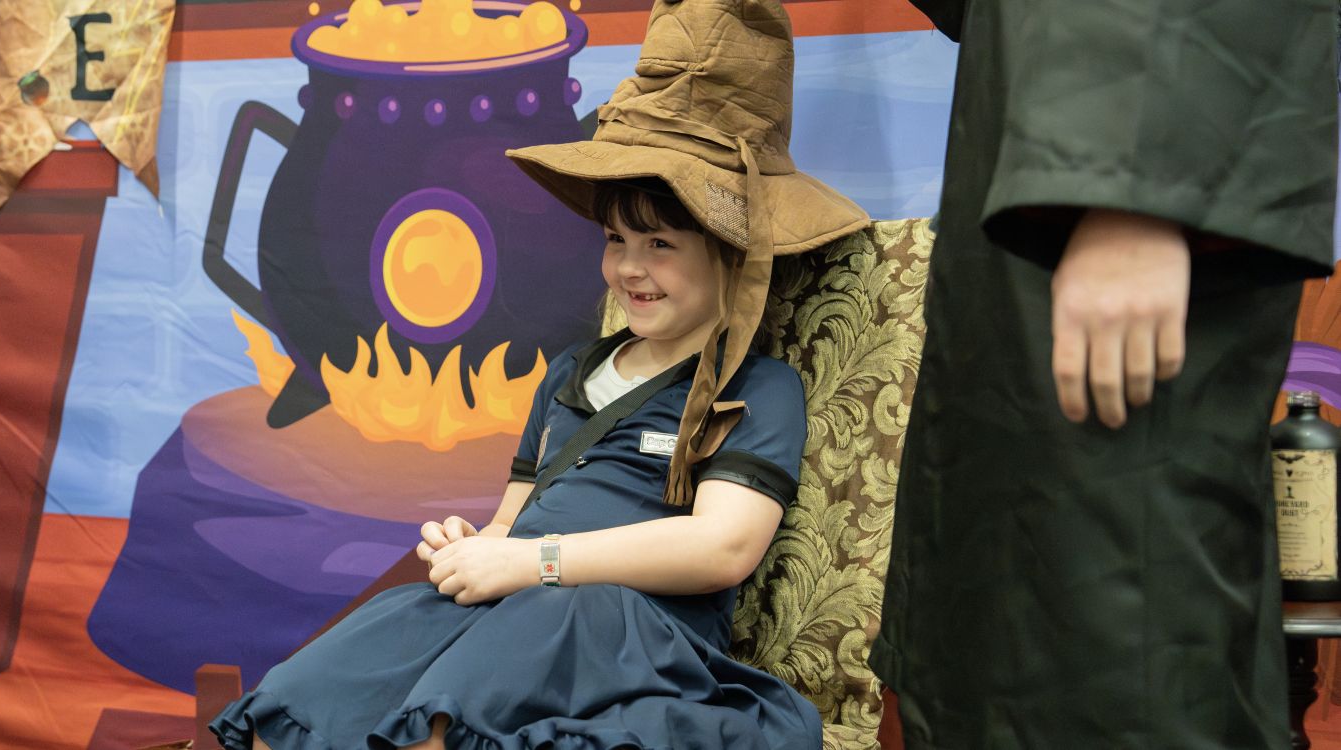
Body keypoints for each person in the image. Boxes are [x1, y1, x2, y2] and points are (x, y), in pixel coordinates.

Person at [210, 0, 870, 746]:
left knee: (443, 720)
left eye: (659, 244)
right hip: (520, 598)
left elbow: (724, 549)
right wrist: (478, 546)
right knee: (299, 702)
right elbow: (510, 521)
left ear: (728, 250)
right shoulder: (569, 371)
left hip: (619, 622)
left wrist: (535, 562)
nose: (627, 267)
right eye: (616, 238)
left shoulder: (756, 387)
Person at [869, 1, 1338, 747]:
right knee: (1007, 617)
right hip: (1030, 144)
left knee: (1114, 625)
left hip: (1112, 141)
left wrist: (1131, 173)